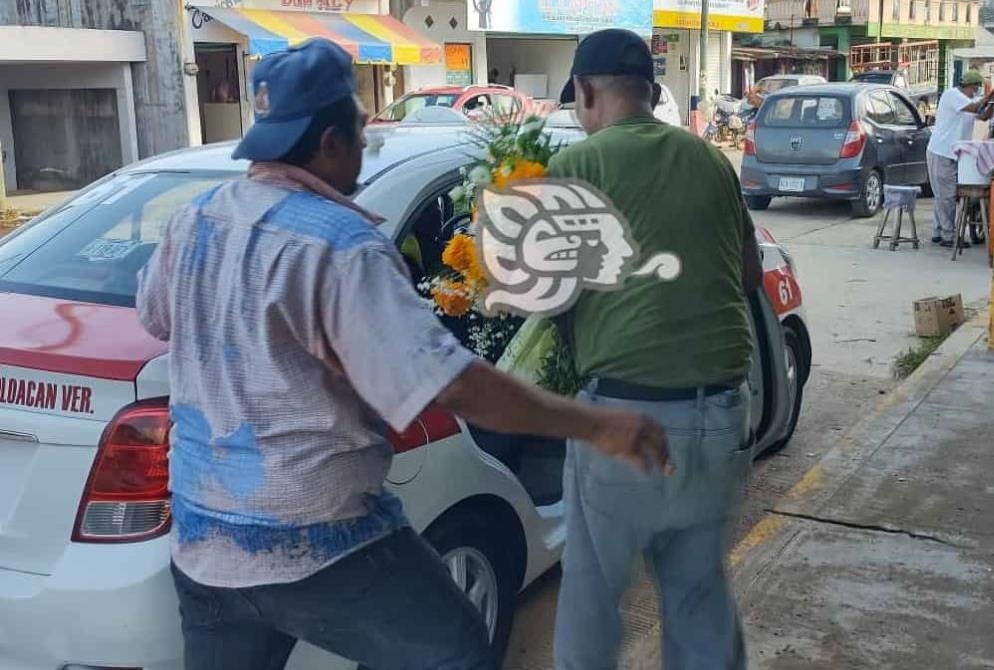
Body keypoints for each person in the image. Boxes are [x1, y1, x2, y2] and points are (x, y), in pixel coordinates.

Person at [136, 38, 668, 670]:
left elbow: (156, 316)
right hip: (319, 542)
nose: (366, 147)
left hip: (204, 540)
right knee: (457, 650)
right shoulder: (341, 247)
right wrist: (597, 424)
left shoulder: (194, 219)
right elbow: (453, 387)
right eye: (361, 133)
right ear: (330, 142)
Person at [548, 29, 763, 670]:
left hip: (624, 422)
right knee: (699, 595)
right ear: (651, 89)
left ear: (586, 92)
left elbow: (546, 299)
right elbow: (748, 273)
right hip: (722, 415)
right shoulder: (709, 160)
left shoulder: (575, 167)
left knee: (591, 598)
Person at [926, 70, 994, 248]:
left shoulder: (967, 101)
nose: (976, 92)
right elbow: (975, 108)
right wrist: (989, 95)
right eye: (975, 88)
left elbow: (983, 116)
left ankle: (939, 231)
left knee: (944, 195)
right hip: (941, 152)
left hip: (953, 153)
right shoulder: (952, 95)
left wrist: (992, 103)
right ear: (970, 86)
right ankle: (948, 236)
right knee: (946, 196)